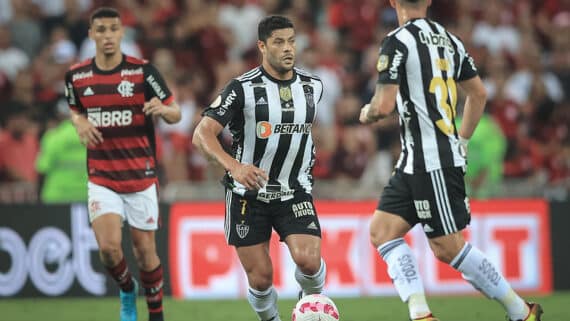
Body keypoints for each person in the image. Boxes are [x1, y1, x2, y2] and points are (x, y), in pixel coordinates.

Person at [359, 1, 543, 321]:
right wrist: (463, 142)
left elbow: (385, 104)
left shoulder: (396, 41)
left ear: (392, 2)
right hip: (415, 160)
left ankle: (521, 312)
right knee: (382, 231)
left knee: (448, 248)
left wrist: (369, 110)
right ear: (428, 1)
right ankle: (421, 314)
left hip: (432, 160)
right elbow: (479, 94)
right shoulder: (450, 40)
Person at [193, 15, 327, 321]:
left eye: (291, 41)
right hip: (247, 195)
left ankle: (310, 305)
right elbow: (202, 134)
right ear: (262, 47)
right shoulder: (241, 88)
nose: (287, 48)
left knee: (308, 260)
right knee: (261, 277)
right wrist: (235, 166)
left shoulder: (313, 86)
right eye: (279, 42)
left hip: (294, 191)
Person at [64, 7, 181, 321]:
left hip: (140, 176)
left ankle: (155, 313)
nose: (107, 36)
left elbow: (176, 113)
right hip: (102, 177)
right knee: (110, 250)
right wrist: (78, 124)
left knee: (145, 254)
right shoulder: (76, 76)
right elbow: (75, 109)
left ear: (122, 34)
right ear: (91, 35)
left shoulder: (143, 72)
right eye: (100, 30)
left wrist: (162, 109)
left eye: (113, 29)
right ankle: (127, 289)